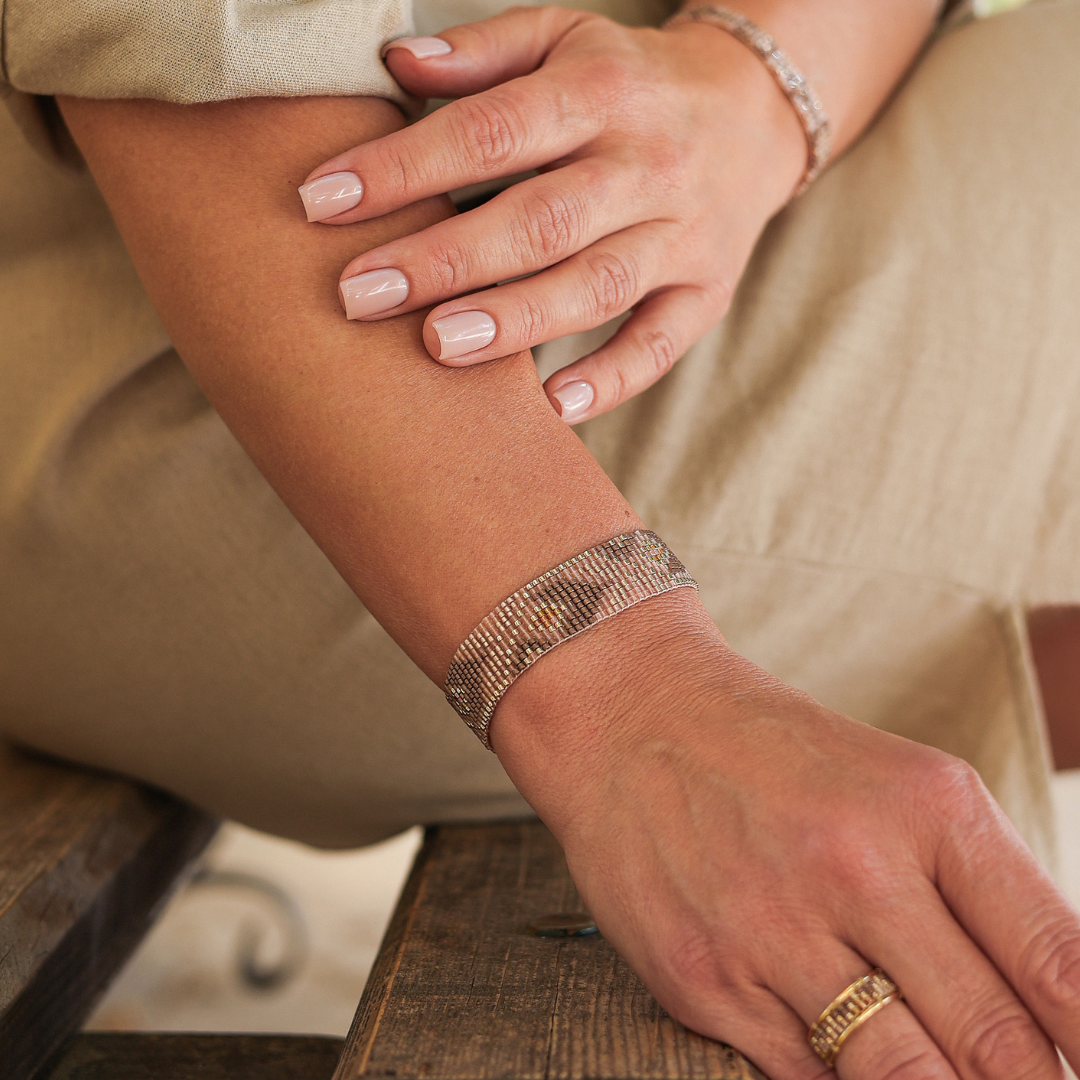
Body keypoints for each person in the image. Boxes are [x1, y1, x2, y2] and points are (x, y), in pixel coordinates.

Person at [1, 0, 1079, 1075]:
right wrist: (632, 689)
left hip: (676, 183)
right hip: (279, 361)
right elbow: (190, 35)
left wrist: (761, 81)